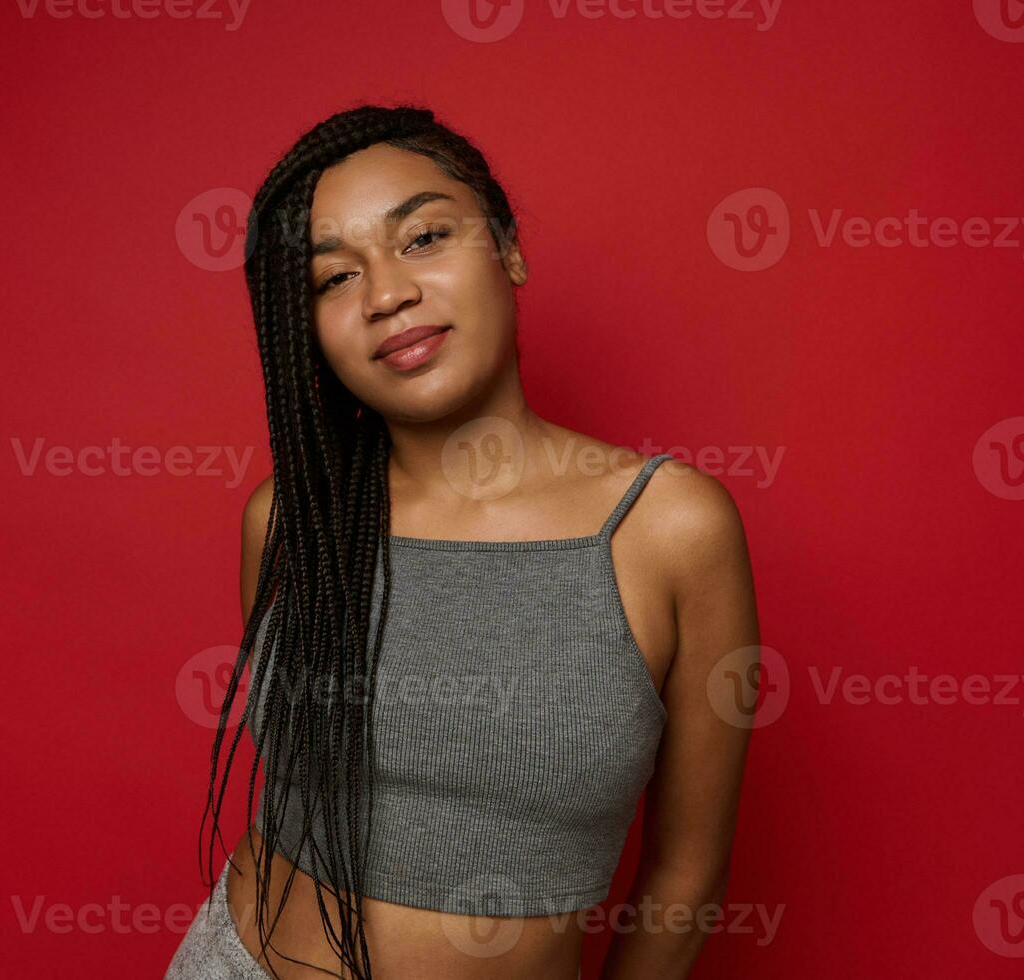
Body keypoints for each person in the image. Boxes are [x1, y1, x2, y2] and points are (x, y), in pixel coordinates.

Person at [166, 103, 758, 980]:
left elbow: (682, 875)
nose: (385, 294)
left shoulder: (668, 529)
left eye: (423, 238)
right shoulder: (293, 518)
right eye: (333, 278)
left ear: (508, 250)